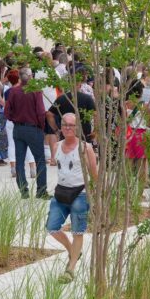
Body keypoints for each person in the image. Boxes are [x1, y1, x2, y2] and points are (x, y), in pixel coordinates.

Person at [48, 113, 98, 283]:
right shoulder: (56, 146)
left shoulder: (86, 148)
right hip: (61, 192)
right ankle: (73, 252)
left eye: (71, 125)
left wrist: (95, 196)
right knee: (52, 227)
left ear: (77, 128)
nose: (67, 128)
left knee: (78, 231)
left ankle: (70, 269)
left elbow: (94, 173)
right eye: (64, 124)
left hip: (81, 192)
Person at [7, 67, 49, 199]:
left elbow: (7, 112)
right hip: (33, 128)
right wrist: (41, 127)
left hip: (18, 128)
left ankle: (23, 190)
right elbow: (41, 112)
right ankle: (41, 190)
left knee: (20, 161)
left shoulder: (14, 91)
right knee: (40, 160)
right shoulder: (35, 91)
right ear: (31, 77)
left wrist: (15, 119)